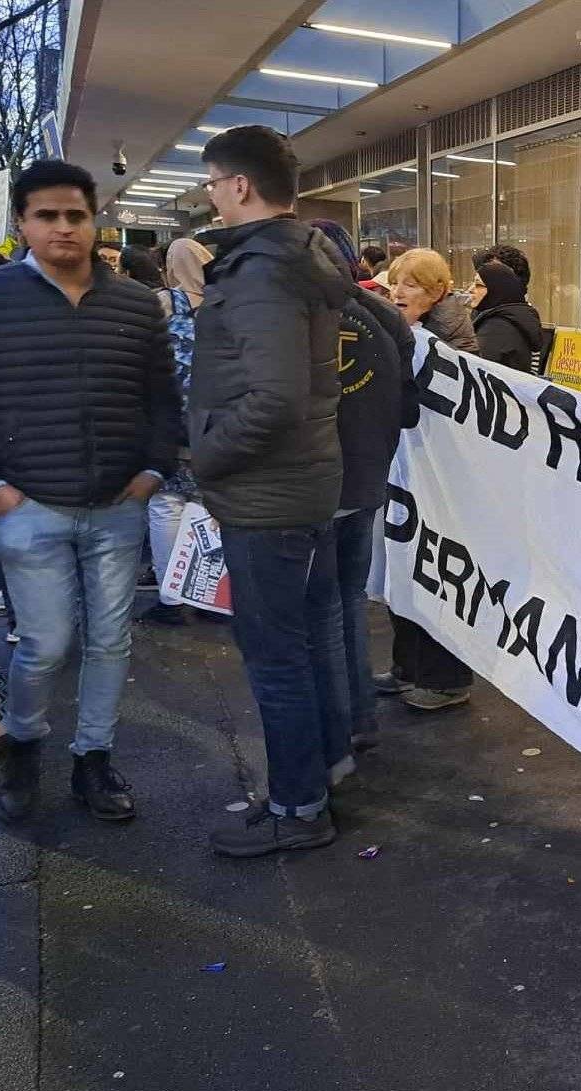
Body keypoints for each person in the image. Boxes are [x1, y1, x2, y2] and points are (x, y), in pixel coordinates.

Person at [0, 159, 182, 826]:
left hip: (116, 504)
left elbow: (163, 395)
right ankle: (22, 748)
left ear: (93, 217)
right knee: (43, 643)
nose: (63, 227)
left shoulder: (133, 303)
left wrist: (154, 469)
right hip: (27, 503)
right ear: (21, 222)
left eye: (75, 214)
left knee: (110, 643)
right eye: (47, 215)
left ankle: (92, 759)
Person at [194, 125, 353, 857]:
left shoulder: (260, 270)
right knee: (303, 642)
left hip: (266, 492)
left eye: (211, 183)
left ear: (239, 186)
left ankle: (298, 806)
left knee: (274, 654)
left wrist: (207, 458)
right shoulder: (298, 258)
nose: (209, 196)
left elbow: (275, 396)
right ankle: (318, 778)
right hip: (301, 483)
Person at [311, 219, 416, 744]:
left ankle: (339, 727)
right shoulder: (385, 315)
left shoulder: (299, 315)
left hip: (315, 483)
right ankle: (359, 718)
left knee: (321, 608)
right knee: (348, 598)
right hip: (369, 477)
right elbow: (408, 407)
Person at [376, 246, 480, 713]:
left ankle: (444, 678)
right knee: (404, 563)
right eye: (396, 281)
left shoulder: (451, 344)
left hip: (441, 479)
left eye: (412, 284)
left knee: (434, 572)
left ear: (437, 292)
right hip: (407, 469)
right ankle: (409, 667)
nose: (398, 291)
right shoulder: (406, 331)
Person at [140, 236, 211, 626]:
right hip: (216, 426)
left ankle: (170, 599)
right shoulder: (227, 305)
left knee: (166, 506)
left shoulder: (163, 303)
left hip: (170, 422)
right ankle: (209, 597)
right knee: (208, 508)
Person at [387, 247, 479, 355]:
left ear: (436, 292)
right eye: (394, 283)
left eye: (410, 285)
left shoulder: (448, 330)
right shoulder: (385, 322)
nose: (397, 293)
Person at [470, 258, 542, 374]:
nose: (471, 289)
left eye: (479, 285)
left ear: (496, 289)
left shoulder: (496, 328)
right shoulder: (515, 318)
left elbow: (477, 372)